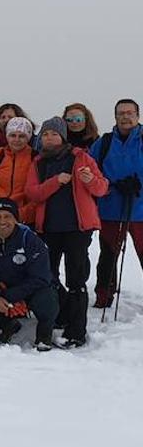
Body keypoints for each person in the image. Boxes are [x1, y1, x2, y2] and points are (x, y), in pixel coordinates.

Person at [25, 117, 108, 348]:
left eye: (54, 134)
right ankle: (61, 314)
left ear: (62, 137)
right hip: (48, 229)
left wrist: (91, 180)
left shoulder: (81, 158)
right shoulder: (38, 163)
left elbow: (102, 188)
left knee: (76, 279)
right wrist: (55, 182)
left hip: (77, 229)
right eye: (45, 134)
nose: (49, 138)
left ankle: (76, 330)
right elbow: (32, 193)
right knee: (49, 276)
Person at [0, 198, 58, 350]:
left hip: (28, 291)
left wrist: (12, 297)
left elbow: (41, 277)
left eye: (7, 216)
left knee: (47, 299)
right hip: (0, 291)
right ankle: (6, 324)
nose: (2, 221)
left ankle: (44, 335)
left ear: (16, 219)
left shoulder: (30, 240)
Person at [90, 99, 143, 308]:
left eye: (130, 113)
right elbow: (91, 169)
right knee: (108, 255)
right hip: (110, 208)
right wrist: (110, 185)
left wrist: (137, 184)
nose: (125, 117)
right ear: (115, 116)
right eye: (121, 113)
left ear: (137, 115)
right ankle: (104, 295)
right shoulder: (104, 143)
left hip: (140, 209)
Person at [0, 116, 38, 226]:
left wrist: (22, 214)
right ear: (7, 136)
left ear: (28, 138)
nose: (17, 140)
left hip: (23, 219)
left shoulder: (35, 158)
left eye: (22, 136)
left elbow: (38, 192)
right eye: (13, 135)